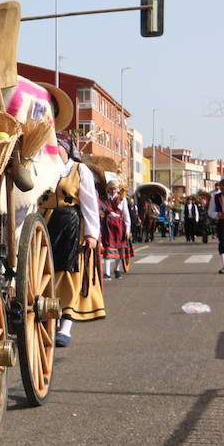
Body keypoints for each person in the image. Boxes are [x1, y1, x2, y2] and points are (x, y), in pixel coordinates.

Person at [40, 136, 104, 348]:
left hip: (70, 223)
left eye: (57, 146)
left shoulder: (78, 170)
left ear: (67, 149)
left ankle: (65, 325)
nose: (53, 150)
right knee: (42, 272)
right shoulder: (42, 169)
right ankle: (48, 315)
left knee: (68, 271)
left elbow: (89, 203)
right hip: (43, 223)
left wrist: (92, 234)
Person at [99, 180, 132, 279]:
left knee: (119, 249)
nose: (112, 191)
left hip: (119, 227)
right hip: (107, 227)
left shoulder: (122, 199)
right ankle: (107, 272)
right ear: (107, 189)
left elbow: (126, 215)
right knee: (108, 248)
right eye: (110, 188)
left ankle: (117, 269)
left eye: (114, 189)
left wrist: (127, 230)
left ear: (118, 189)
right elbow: (98, 212)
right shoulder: (102, 199)